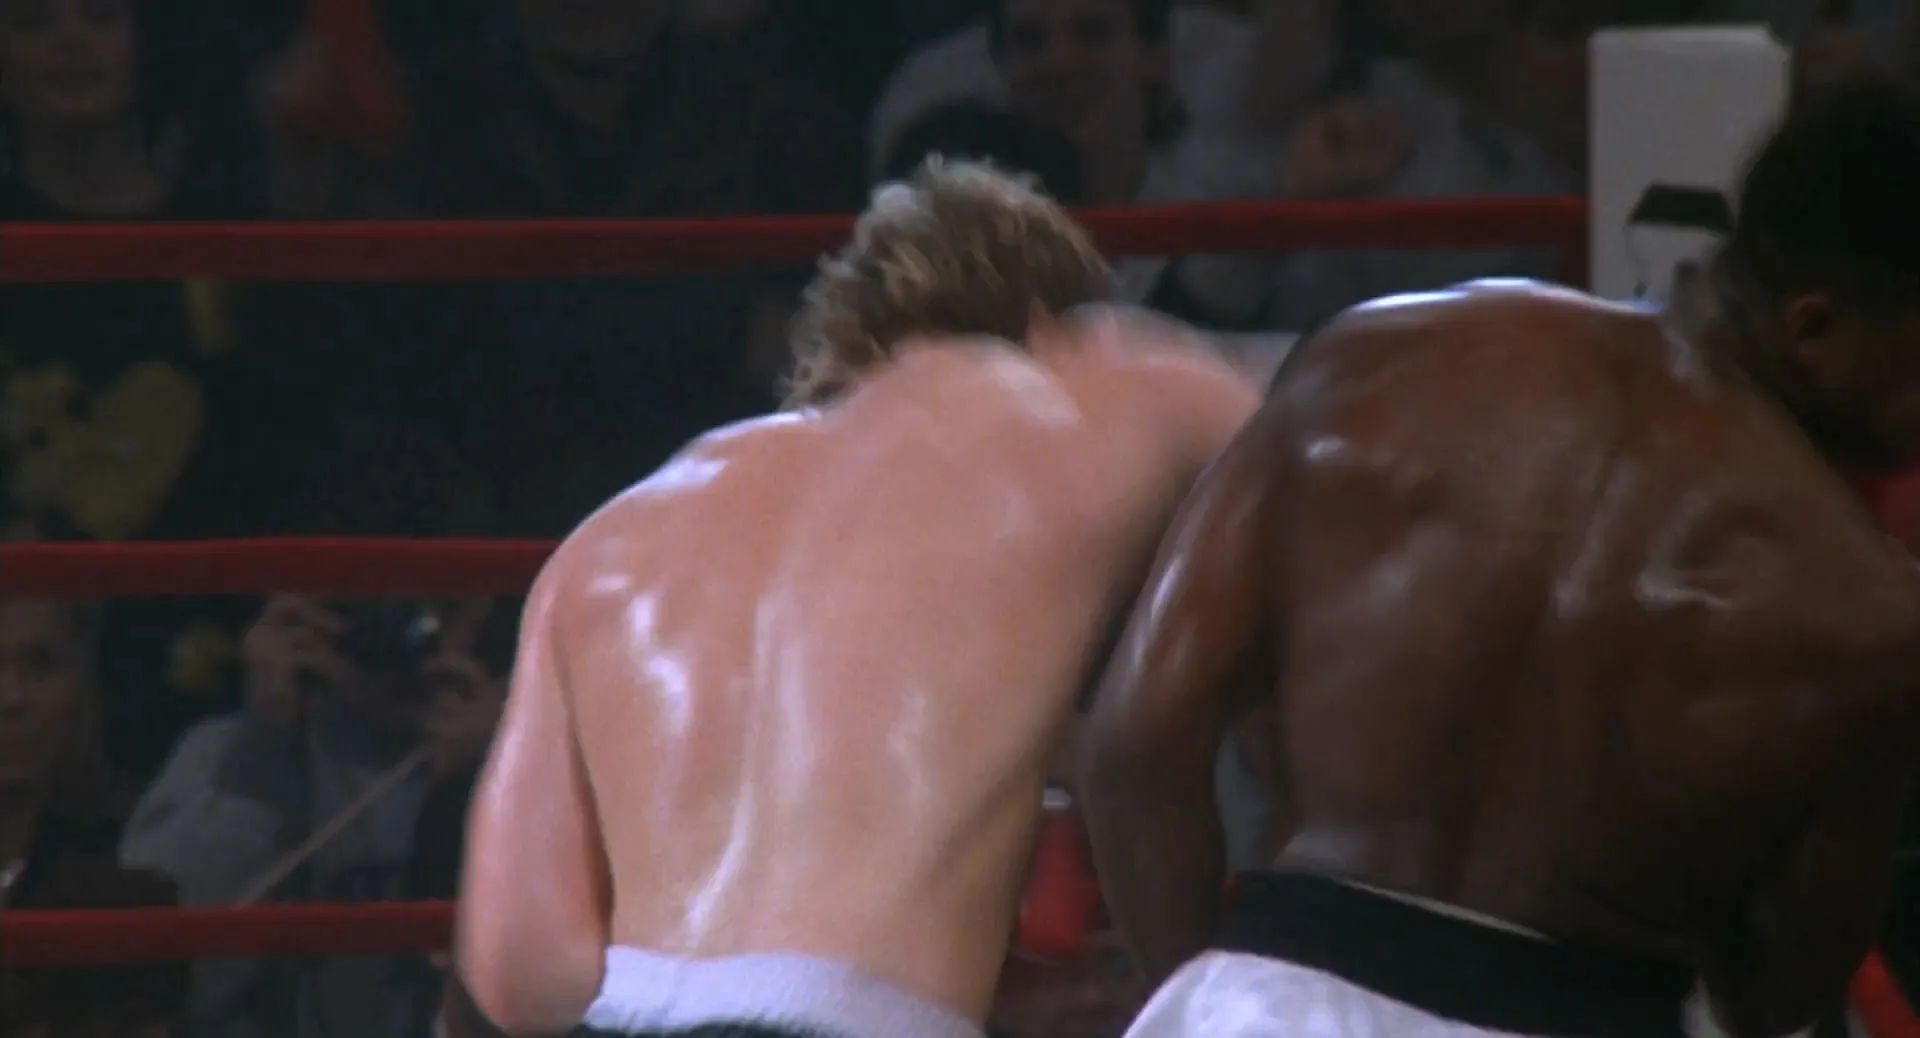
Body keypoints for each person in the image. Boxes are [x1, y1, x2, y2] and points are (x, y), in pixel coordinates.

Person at [1079, 79, 1920, 1038]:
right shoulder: (1869, 611)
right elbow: (1782, 994)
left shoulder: (1381, 355)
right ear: (1816, 326)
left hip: (1265, 1001)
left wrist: (1207, 999)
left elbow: (1136, 745)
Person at [451, 159, 1262, 1038]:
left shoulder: (606, 543)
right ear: (1047, 321)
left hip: (625, 1013)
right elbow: (1337, 450)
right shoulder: (1083, 393)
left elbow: (520, 972)